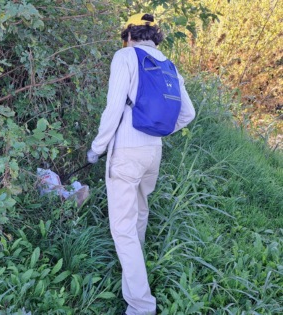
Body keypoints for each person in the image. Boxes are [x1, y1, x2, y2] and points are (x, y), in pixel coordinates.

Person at [87, 13, 196, 315]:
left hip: (126, 150)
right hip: (153, 151)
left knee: (122, 228)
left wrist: (96, 149)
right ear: (155, 37)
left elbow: (113, 108)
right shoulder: (168, 65)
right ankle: (135, 268)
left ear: (129, 35)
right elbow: (188, 114)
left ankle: (140, 305)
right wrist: (157, 128)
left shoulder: (125, 56)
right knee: (139, 210)